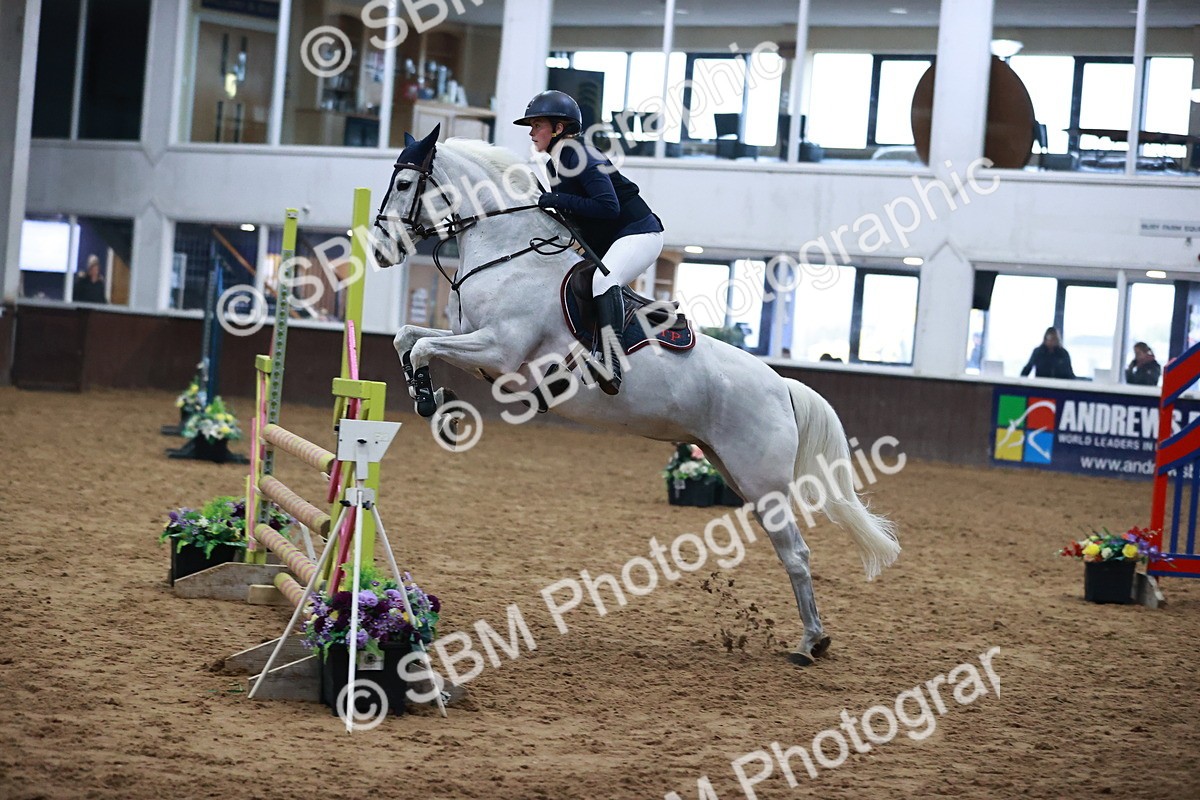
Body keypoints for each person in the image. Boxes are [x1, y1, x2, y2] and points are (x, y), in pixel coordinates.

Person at [513, 90, 664, 396]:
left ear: (559, 128)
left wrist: (555, 199)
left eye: (537, 124)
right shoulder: (555, 164)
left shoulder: (578, 154)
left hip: (640, 233)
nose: (531, 132)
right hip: (614, 239)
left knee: (602, 281)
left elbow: (609, 207)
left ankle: (611, 363)